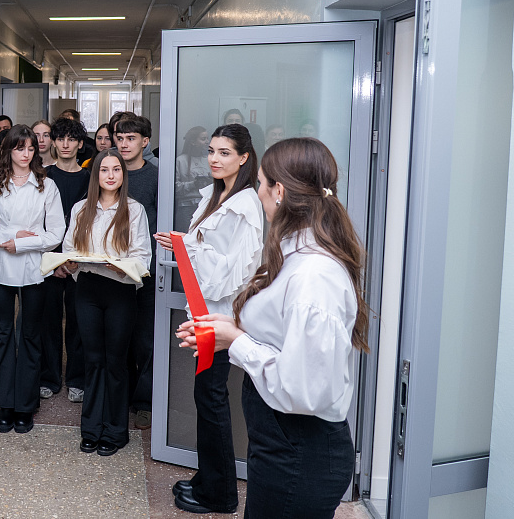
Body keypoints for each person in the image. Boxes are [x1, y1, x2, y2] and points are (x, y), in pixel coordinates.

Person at [176, 137, 369, 519]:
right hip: (282, 444)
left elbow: (303, 390)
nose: (258, 192)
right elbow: (284, 333)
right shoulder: (296, 254)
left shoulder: (314, 275)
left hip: (299, 451)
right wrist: (231, 326)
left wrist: (237, 340)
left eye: (261, 183)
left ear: (278, 191)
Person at [156, 124, 263, 515]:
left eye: (224, 152)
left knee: (212, 398)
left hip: (221, 318)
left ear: (244, 157)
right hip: (206, 312)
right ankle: (208, 480)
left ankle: (219, 494)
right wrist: (185, 243)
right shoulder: (217, 195)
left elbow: (235, 272)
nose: (214, 159)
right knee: (207, 396)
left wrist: (190, 247)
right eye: (212, 151)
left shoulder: (245, 205)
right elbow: (207, 248)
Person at [56, 148, 151, 456]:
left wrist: (121, 267)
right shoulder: (81, 208)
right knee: (93, 359)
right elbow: (69, 248)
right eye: (104, 170)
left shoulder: (134, 210)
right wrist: (69, 263)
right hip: (87, 289)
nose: (111, 175)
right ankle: (91, 428)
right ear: (95, 175)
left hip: (120, 290)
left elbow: (143, 256)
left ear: (123, 175)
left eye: (116, 170)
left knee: (116, 361)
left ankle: (115, 430)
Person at [0, 124, 65, 435]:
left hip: (34, 266)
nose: (26, 154)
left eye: (30, 148)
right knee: (2, 333)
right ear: (7, 150)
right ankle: (5, 403)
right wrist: (10, 237)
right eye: (19, 148)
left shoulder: (46, 185)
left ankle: (25, 405)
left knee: (30, 334)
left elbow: (56, 233)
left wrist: (23, 243)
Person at [112, 113, 159, 430]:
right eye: (120, 138)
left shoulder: (155, 178)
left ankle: (144, 402)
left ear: (145, 142)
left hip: (144, 270)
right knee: (119, 338)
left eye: (131, 138)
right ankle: (121, 395)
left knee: (145, 340)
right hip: (111, 270)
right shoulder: (109, 171)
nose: (124, 143)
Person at [39, 117, 90, 403]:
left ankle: (77, 379)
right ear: (54, 143)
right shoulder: (43, 177)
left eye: (71, 139)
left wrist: (73, 261)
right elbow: (37, 221)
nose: (66, 144)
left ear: (80, 144)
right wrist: (54, 260)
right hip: (48, 258)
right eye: (60, 139)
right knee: (48, 321)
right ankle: (48, 377)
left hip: (80, 260)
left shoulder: (89, 179)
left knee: (77, 322)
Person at [174, 126, 210, 233]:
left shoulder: (209, 160)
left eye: (207, 138)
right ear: (193, 142)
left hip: (206, 206)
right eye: (203, 139)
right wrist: (193, 184)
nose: (207, 142)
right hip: (186, 207)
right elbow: (174, 188)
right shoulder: (180, 161)